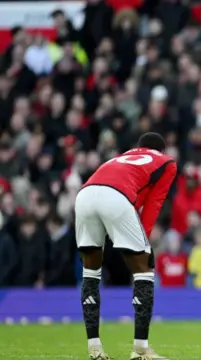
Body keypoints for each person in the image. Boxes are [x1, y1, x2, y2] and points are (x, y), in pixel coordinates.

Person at [75, 132, 177, 360]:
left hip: (85, 195)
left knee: (90, 271)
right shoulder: (166, 162)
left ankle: (94, 347)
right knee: (144, 271)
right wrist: (145, 241)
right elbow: (154, 202)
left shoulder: (122, 157)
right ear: (160, 150)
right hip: (116, 197)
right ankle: (141, 349)